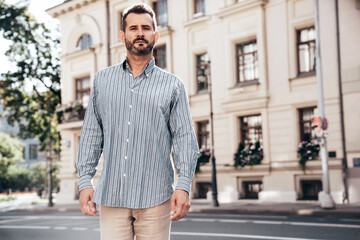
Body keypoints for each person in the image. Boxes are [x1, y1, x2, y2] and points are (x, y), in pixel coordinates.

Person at [76, 3, 199, 240]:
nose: (140, 33)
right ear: (123, 35)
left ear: (156, 34)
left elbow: (185, 139)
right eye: (133, 28)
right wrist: (85, 181)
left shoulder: (173, 86)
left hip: (156, 197)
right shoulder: (102, 81)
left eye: (146, 28)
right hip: (112, 195)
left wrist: (183, 185)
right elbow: (92, 134)